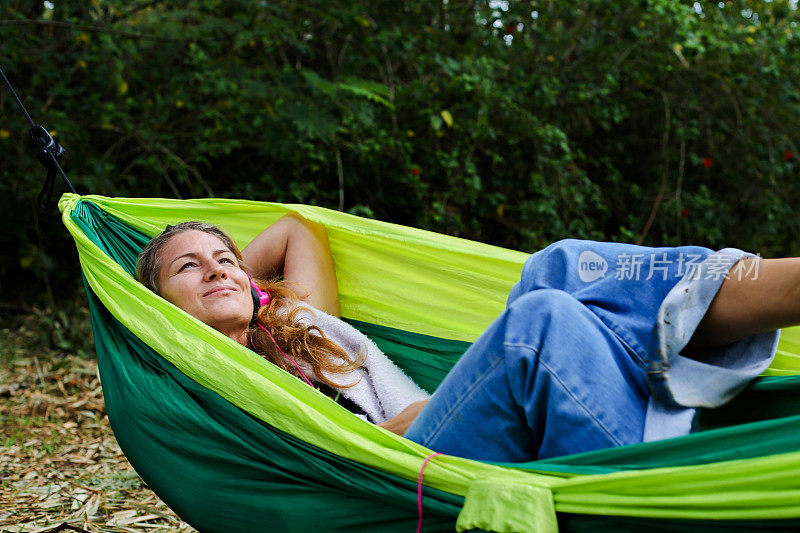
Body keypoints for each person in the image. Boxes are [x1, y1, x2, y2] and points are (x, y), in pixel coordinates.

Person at [135, 213, 790, 462]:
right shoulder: (207, 393)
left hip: (451, 423)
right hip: (398, 466)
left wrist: (234, 284)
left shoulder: (301, 331)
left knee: (554, 268)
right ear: (156, 304)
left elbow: (296, 230)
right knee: (543, 325)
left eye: (225, 256)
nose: (218, 265)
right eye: (188, 268)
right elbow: (316, 464)